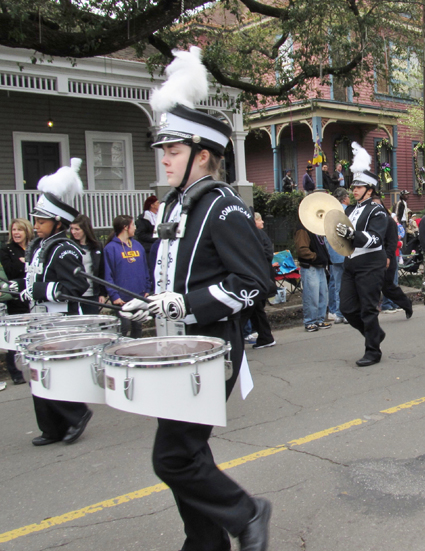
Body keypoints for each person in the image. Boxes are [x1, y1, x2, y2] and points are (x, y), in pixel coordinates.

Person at [119, 47, 272, 551]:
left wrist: (184, 306)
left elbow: (254, 284)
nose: (163, 158)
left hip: (211, 350)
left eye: (173, 150)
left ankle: (247, 512)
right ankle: (205, 543)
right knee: (187, 455)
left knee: (175, 457)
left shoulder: (223, 207)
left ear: (202, 153)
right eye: (162, 149)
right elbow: (174, 277)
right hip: (176, 348)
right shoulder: (176, 206)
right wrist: (149, 303)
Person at [18, 160, 93, 446]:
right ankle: (51, 428)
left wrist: (38, 289)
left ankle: (76, 415)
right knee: (37, 372)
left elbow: (76, 286)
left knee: (50, 373)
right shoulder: (39, 246)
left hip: (59, 323)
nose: (35, 225)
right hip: (41, 320)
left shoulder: (64, 249)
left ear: (58, 223)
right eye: (35, 220)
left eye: (41, 221)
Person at [335, 142, 388, 367]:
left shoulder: (377, 210)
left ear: (370, 189)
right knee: (346, 308)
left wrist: (352, 234)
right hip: (351, 263)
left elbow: (376, 238)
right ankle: (374, 334)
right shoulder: (349, 209)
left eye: (358, 187)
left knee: (368, 309)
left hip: (370, 264)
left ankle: (373, 351)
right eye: (353, 187)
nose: (354, 190)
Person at [104, 215, 151, 338]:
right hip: (121, 298)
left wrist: (147, 288)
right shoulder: (110, 248)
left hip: (138, 295)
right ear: (125, 227)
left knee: (137, 327)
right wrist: (114, 295)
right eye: (133, 225)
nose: (135, 228)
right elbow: (107, 274)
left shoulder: (137, 245)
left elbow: (145, 268)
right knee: (123, 328)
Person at [0, 218, 34, 384]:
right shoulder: (7, 249)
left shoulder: (34, 247)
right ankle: (16, 372)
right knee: (16, 336)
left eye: (19, 230)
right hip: (15, 297)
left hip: (32, 296)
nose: (16, 233)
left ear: (26, 231)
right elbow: (11, 270)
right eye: (13, 230)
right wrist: (27, 264)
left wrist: (25, 264)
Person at [241, 212, 277, 348]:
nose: (263, 222)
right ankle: (265, 336)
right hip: (260, 277)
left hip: (257, 277)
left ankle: (235, 338)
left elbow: (266, 254)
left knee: (250, 309)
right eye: (260, 220)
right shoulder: (258, 235)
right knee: (255, 309)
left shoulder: (256, 235)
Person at [294, 222, 331, 332]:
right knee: (312, 295)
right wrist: (314, 257)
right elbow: (302, 249)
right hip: (310, 266)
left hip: (319, 266)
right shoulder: (303, 229)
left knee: (322, 294)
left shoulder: (315, 227)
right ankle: (310, 321)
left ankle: (320, 318)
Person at [379, 208, 413, 318]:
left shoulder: (389, 222)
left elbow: (393, 242)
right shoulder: (371, 221)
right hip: (373, 258)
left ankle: (406, 304)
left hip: (388, 257)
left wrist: (388, 257)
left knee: (388, 287)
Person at [70, 214, 107, 315]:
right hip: (75, 294)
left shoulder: (97, 246)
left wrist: (102, 293)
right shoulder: (70, 246)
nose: (73, 232)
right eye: (72, 229)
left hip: (92, 293)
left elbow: (101, 270)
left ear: (85, 229)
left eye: (77, 229)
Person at [326, 187, 349, 324]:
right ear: (344, 197)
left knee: (337, 284)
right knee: (348, 284)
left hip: (333, 253)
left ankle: (338, 313)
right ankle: (346, 313)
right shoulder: (346, 211)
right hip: (345, 252)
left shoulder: (329, 212)